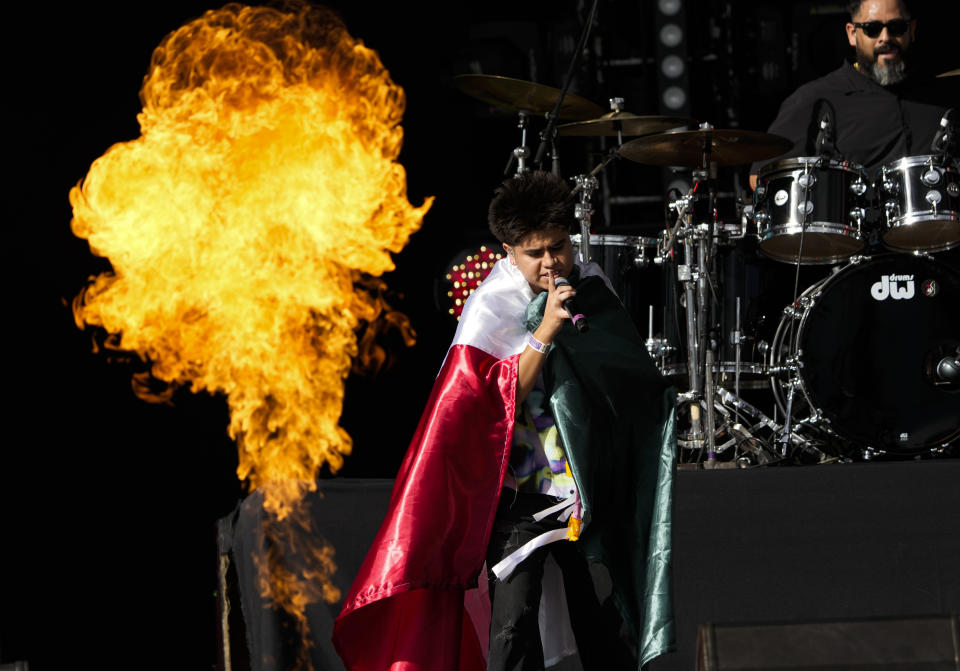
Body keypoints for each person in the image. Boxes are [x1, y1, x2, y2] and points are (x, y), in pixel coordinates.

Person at [333, 170, 677, 671]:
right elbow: (486, 398)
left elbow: (621, 379)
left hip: (580, 486)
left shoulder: (592, 287)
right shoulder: (491, 303)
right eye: (534, 253)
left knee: (596, 620)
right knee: (514, 621)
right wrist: (544, 332)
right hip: (521, 490)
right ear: (508, 251)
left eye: (558, 247)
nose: (550, 262)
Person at [749, 0, 952, 188]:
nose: (885, 38)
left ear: (912, 30)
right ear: (852, 34)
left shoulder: (942, 94)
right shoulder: (816, 98)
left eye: (896, 27)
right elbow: (761, 177)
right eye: (872, 29)